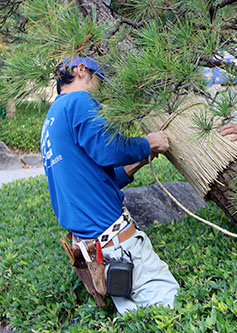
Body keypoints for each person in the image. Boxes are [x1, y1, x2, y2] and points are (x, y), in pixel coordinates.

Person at [41, 56, 179, 314]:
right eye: (100, 80)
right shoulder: (79, 101)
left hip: (94, 250)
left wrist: (140, 159)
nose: (102, 90)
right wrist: (148, 143)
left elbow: (93, 177)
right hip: (116, 244)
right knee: (169, 309)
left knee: (136, 319)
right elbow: (108, 148)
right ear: (81, 70)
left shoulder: (52, 119)